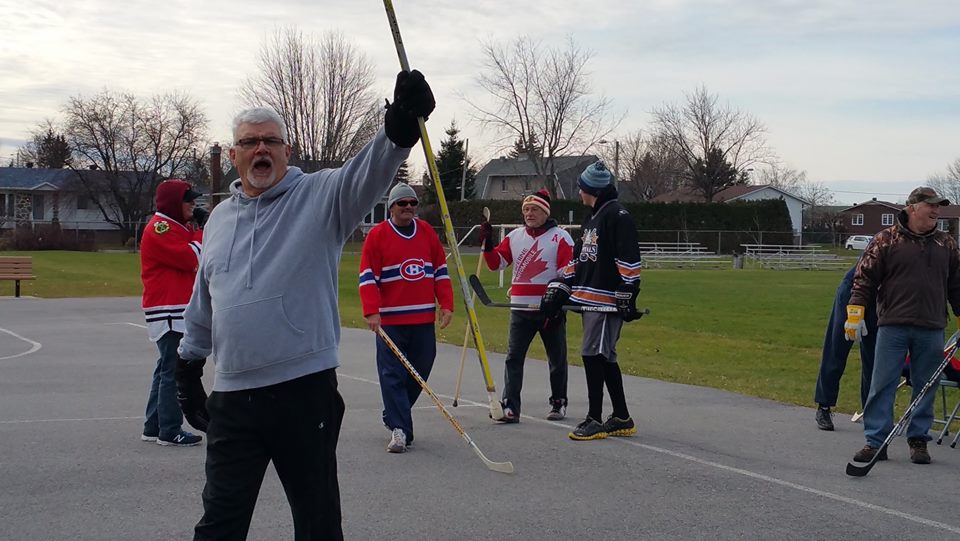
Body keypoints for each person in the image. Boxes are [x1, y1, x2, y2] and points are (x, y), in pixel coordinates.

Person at [177, 70, 435, 539]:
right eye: (249, 142)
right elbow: (205, 298)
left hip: (303, 393)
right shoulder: (217, 220)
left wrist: (398, 129)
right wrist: (188, 363)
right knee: (219, 523)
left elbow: (366, 172)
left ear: (286, 151)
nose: (260, 150)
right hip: (233, 398)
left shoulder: (319, 197)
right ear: (233, 154)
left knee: (317, 523)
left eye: (270, 141)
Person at [846, 186, 960, 465]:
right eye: (930, 206)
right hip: (893, 324)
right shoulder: (886, 240)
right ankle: (876, 441)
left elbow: (957, 286)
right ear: (912, 207)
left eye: (938, 207)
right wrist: (855, 313)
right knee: (882, 383)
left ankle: (918, 439)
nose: (935, 211)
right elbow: (864, 279)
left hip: (932, 325)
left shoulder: (946, 244)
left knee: (925, 385)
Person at [540, 161, 643, 441]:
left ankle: (595, 418)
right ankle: (621, 416)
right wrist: (560, 285)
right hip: (587, 299)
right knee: (605, 356)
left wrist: (628, 291)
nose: (579, 192)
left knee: (593, 355)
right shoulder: (593, 216)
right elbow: (579, 261)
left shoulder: (617, 216)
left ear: (590, 189)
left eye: (581, 187)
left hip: (604, 301)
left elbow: (629, 260)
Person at [358, 183, 454, 453]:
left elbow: (440, 271)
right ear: (392, 207)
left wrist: (446, 305)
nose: (409, 207)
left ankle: (393, 413)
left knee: (420, 371)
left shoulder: (426, 233)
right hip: (391, 321)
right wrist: (371, 311)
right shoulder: (377, 236)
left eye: (413, 203)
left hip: (422, 318)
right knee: (392, 375)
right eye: (403, 203)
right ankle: (400, 430)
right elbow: (367, 277)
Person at [478, 189, 574, 422]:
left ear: (545, 212)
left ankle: (558, 402)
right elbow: (496, 264)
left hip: (549, 309)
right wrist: (487, 243)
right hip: (519, 309)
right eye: (526, 209)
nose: (529, 213)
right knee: (514, 358)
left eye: (535, 209)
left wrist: (557, 300)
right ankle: (510, 406)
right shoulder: (514, 236)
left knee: (556, 357)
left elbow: (569, 272)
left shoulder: (561, 237)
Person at [139, 179, 206, 447]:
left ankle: (153, 425)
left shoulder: (176, 226)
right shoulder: (160, 227)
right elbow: (193, 257)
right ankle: (170, 428)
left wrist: (195, 230)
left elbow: (190, 246)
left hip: (174, 307)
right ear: (173, 202)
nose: (193, 203)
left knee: (164, 368)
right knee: (173, 371)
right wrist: (204, 230)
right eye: (188, 199)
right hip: (169, 308)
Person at [813, 263, 878, 430]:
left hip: (879, 299)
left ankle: (872, 412)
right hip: (853, 291)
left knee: (875, 356)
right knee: (837, 348)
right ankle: (824, 406)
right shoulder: (883, 241)